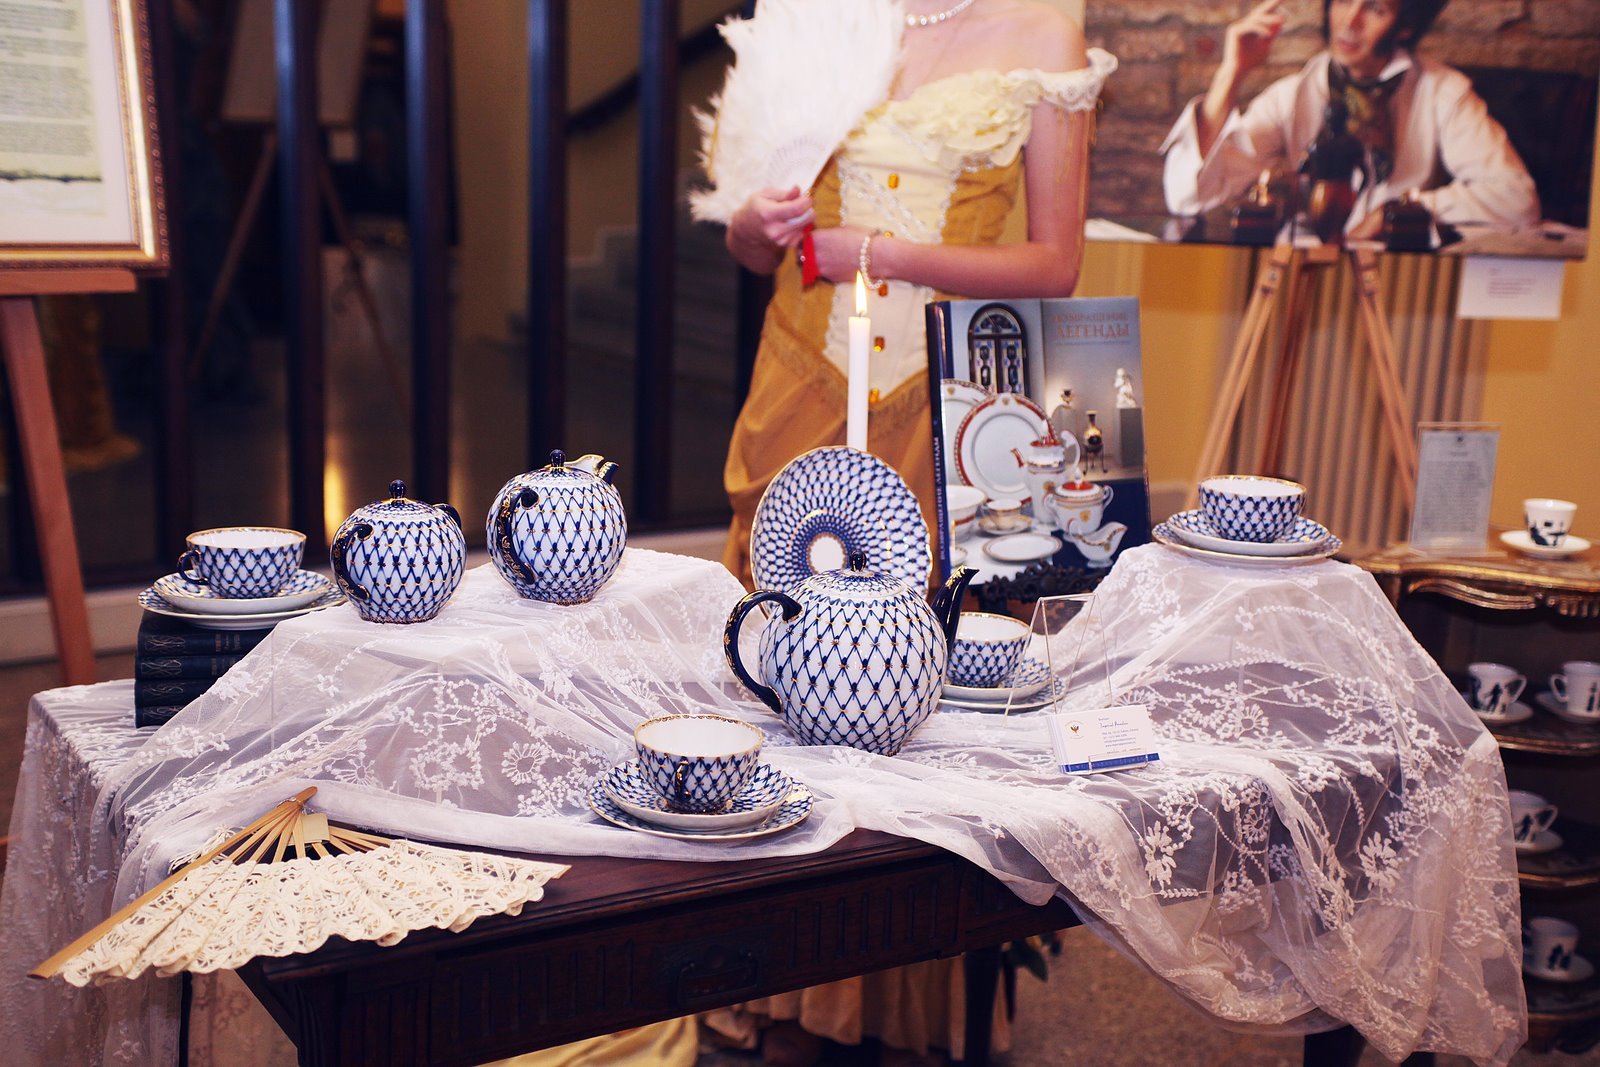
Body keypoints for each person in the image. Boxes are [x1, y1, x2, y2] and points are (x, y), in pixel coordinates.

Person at [719, 0, 1115, 588]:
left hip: (946, 398)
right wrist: (750, 228)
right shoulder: (813, 20)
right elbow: (753, 254)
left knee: (926, 634)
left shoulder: (1044, 39)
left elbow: (1057, 268)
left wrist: (877, 254)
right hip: (802, 380)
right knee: (777, 622)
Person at [1161, 0, 1539, 240]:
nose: (1350, 21)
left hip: (1397, 283)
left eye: (1375, 8)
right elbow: (1188, 197)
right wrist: (1232, 72)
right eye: (1342, 0)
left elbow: (1516, 200)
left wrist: (1399, 212)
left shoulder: (1443, 92)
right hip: (1302, 273)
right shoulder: (1294, 93)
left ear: (1404, 25)